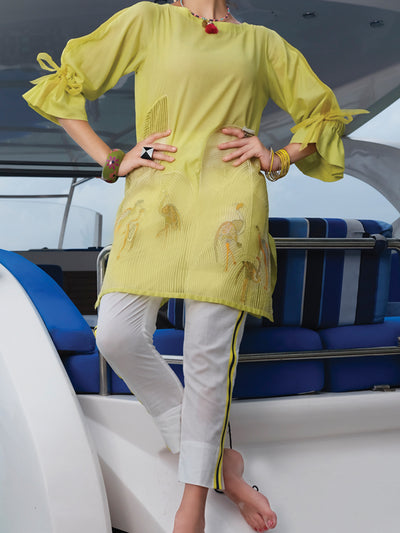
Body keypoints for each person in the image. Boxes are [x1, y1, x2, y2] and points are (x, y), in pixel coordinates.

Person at [23, 1, 366, 531]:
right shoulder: (147, 20)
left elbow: (323, 112)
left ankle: (193, 506)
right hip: (154, 199)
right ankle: (222, 464)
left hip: (232, 202)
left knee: (207, 354)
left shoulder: (262, 43)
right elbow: (63, 86)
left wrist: (276, 156)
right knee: (116, 333)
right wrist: (113, 159)